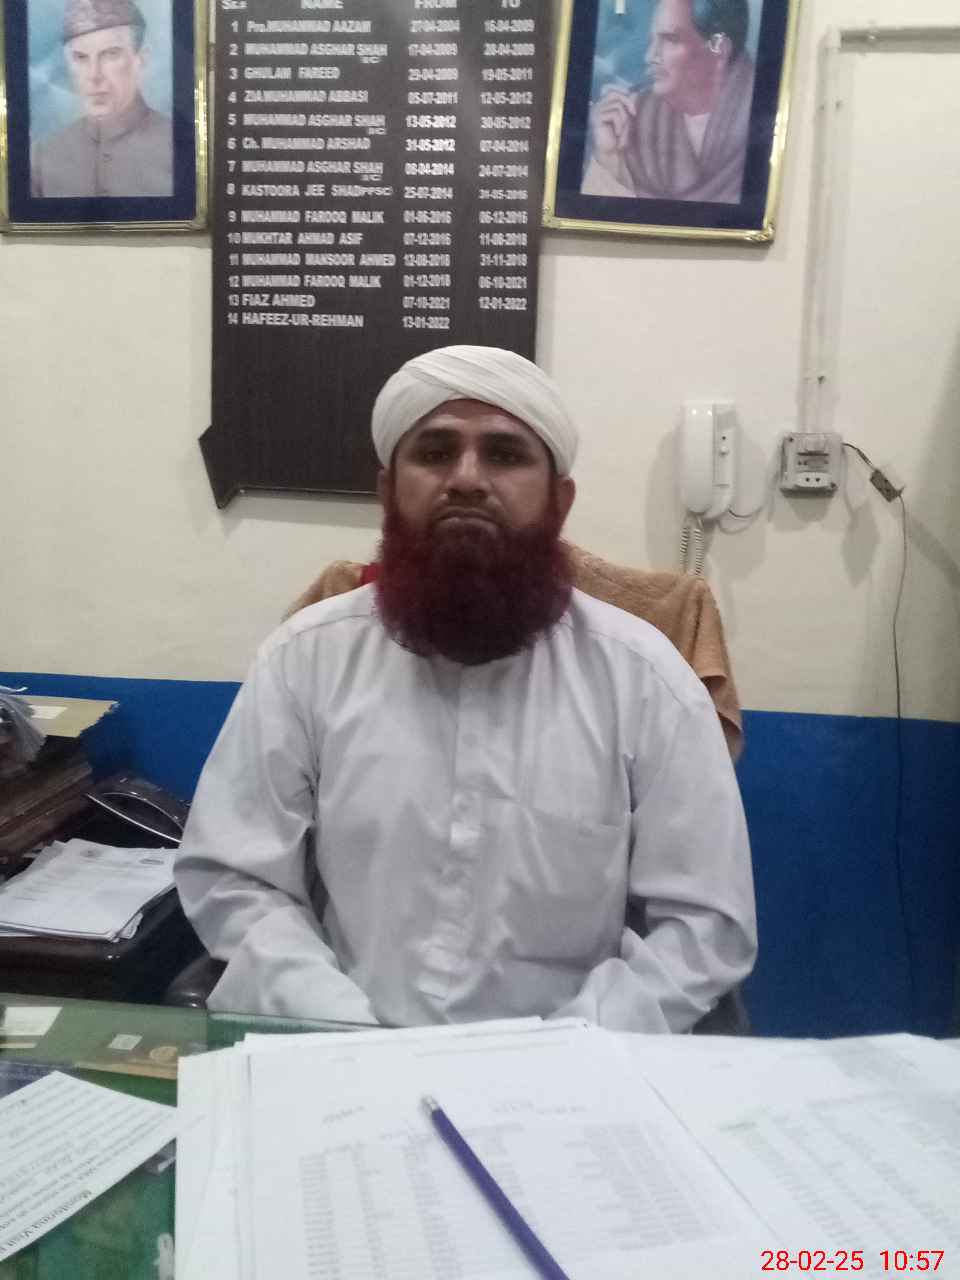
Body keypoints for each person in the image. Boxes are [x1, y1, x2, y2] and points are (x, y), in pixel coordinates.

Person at [175, 346, 757, 1032]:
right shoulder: (304, 659)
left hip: (573, 1064)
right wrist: (341, 1027)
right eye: (436, 452)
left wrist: (569, 1051)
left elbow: (704, 926)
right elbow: (235, 877)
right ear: (389, 490)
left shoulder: (646, 679)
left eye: (505, 455)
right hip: (344, 1044)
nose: (468, 479)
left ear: (559, 500)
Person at [582, 0, 754, 204]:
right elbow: (597, 214)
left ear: (719, 49)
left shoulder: (757, 119)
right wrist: (609, 158)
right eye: (653, 40)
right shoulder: (630, 118)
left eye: (670, 40)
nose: (650, 56)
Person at [31, 0, 173, 199]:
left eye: (110, 54)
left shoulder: (178, 146)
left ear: (140, 60)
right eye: (81, 58)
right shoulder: (44, 156)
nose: (94, 75)